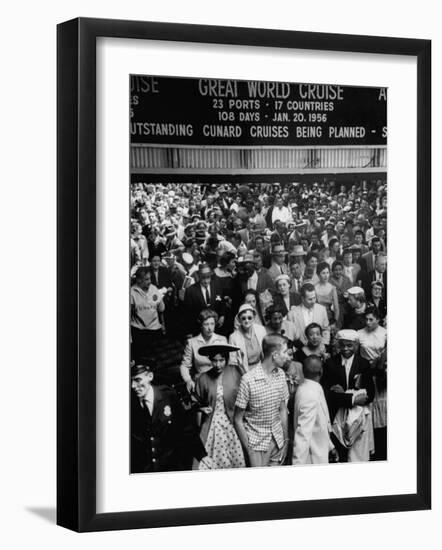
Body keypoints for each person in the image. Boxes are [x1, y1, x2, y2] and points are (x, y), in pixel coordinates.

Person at [131, 364, 207, 473]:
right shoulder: (130, 403)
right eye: (131, 381)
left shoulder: (168, 396)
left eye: (137, 380)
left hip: (170, 466)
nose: (133, 386)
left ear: (150, 377)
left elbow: (185, 428)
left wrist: (201, 455)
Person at [234, 334, 290, 467]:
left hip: (277, 440)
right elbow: (237, 419)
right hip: (257, 445)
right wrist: (249, 449)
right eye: (285, 352)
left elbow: (282, 409)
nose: (287, 356)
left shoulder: (281, 375)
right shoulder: (248, 380)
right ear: (275, 355)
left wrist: (286, 439)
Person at [322, 330, 375, 462]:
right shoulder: (330, 364)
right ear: (338, 346)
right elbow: (328, 394)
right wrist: (352, 397)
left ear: (356, 345)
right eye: (342, 345)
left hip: (359, 418)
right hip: (337, 416)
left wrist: (342, 394)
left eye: (349, 345)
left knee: (358, 453)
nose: (345, 349)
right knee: (340, 454)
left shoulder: (363, 364)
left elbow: (370, 394)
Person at [195, 344, 246, 470]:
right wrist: (201, 409)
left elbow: (247, 394)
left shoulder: (235, 371)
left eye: (221, 360)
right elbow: (196, 403)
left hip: (234, 422)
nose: (218, 365)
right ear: (210, 360)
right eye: (214, 360)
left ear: (227, 359)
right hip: (213, 425)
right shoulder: (203, 378)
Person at [292, 355, 338, 464]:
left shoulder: (310, 387)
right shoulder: (309, 394)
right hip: (312, 458)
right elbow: (302, 434)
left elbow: (322, 422)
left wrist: (330, 446)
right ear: (321, 371)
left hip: (320, 452)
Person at [179, 309, 228, 392]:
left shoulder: (222, 339)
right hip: (202, 381)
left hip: (220, 380)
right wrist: (188, 380)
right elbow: (184, 365)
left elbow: (227, 363)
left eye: (212, 324)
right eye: (206, 324)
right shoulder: (192, 342)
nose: (209, 328)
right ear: (201, 325)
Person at [130, 267, 165, 363]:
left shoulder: (153, 289)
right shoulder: (131, 293)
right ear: (138, 280)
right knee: (141, 360)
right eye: (146, 279)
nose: (149, 281)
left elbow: (160, 309)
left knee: (157, 358)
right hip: (139, 332)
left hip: (155, 330)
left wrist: (163, 325)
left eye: (150, 278)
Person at [183, 263, 226, 335]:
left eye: (208, 277)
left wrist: (222, 315)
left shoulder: (218, 286)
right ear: (199, 277)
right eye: (203, 278)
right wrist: (189, 331)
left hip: (216, 327)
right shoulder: (191, 291)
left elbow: (222, 303)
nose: (206, 281)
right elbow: (187, 313)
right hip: (198, 328)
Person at [229, 303, 267, 372]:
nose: (247, 321)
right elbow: (233, 362)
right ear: (239, 320)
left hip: (262, 368)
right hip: (244, 371)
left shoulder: (261, 330)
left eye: (249, 318)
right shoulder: (233, 337)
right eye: (243, 318)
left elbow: (267, 352)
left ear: (254, 317)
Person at [315, 262, 340, 327]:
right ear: (318, 274)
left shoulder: (332, 288)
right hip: (316, 317)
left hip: (329, 318)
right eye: (323, 273)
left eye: (327, 273)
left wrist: (335, 322)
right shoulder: (314, 288)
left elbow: (336, 308)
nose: (326, 276)